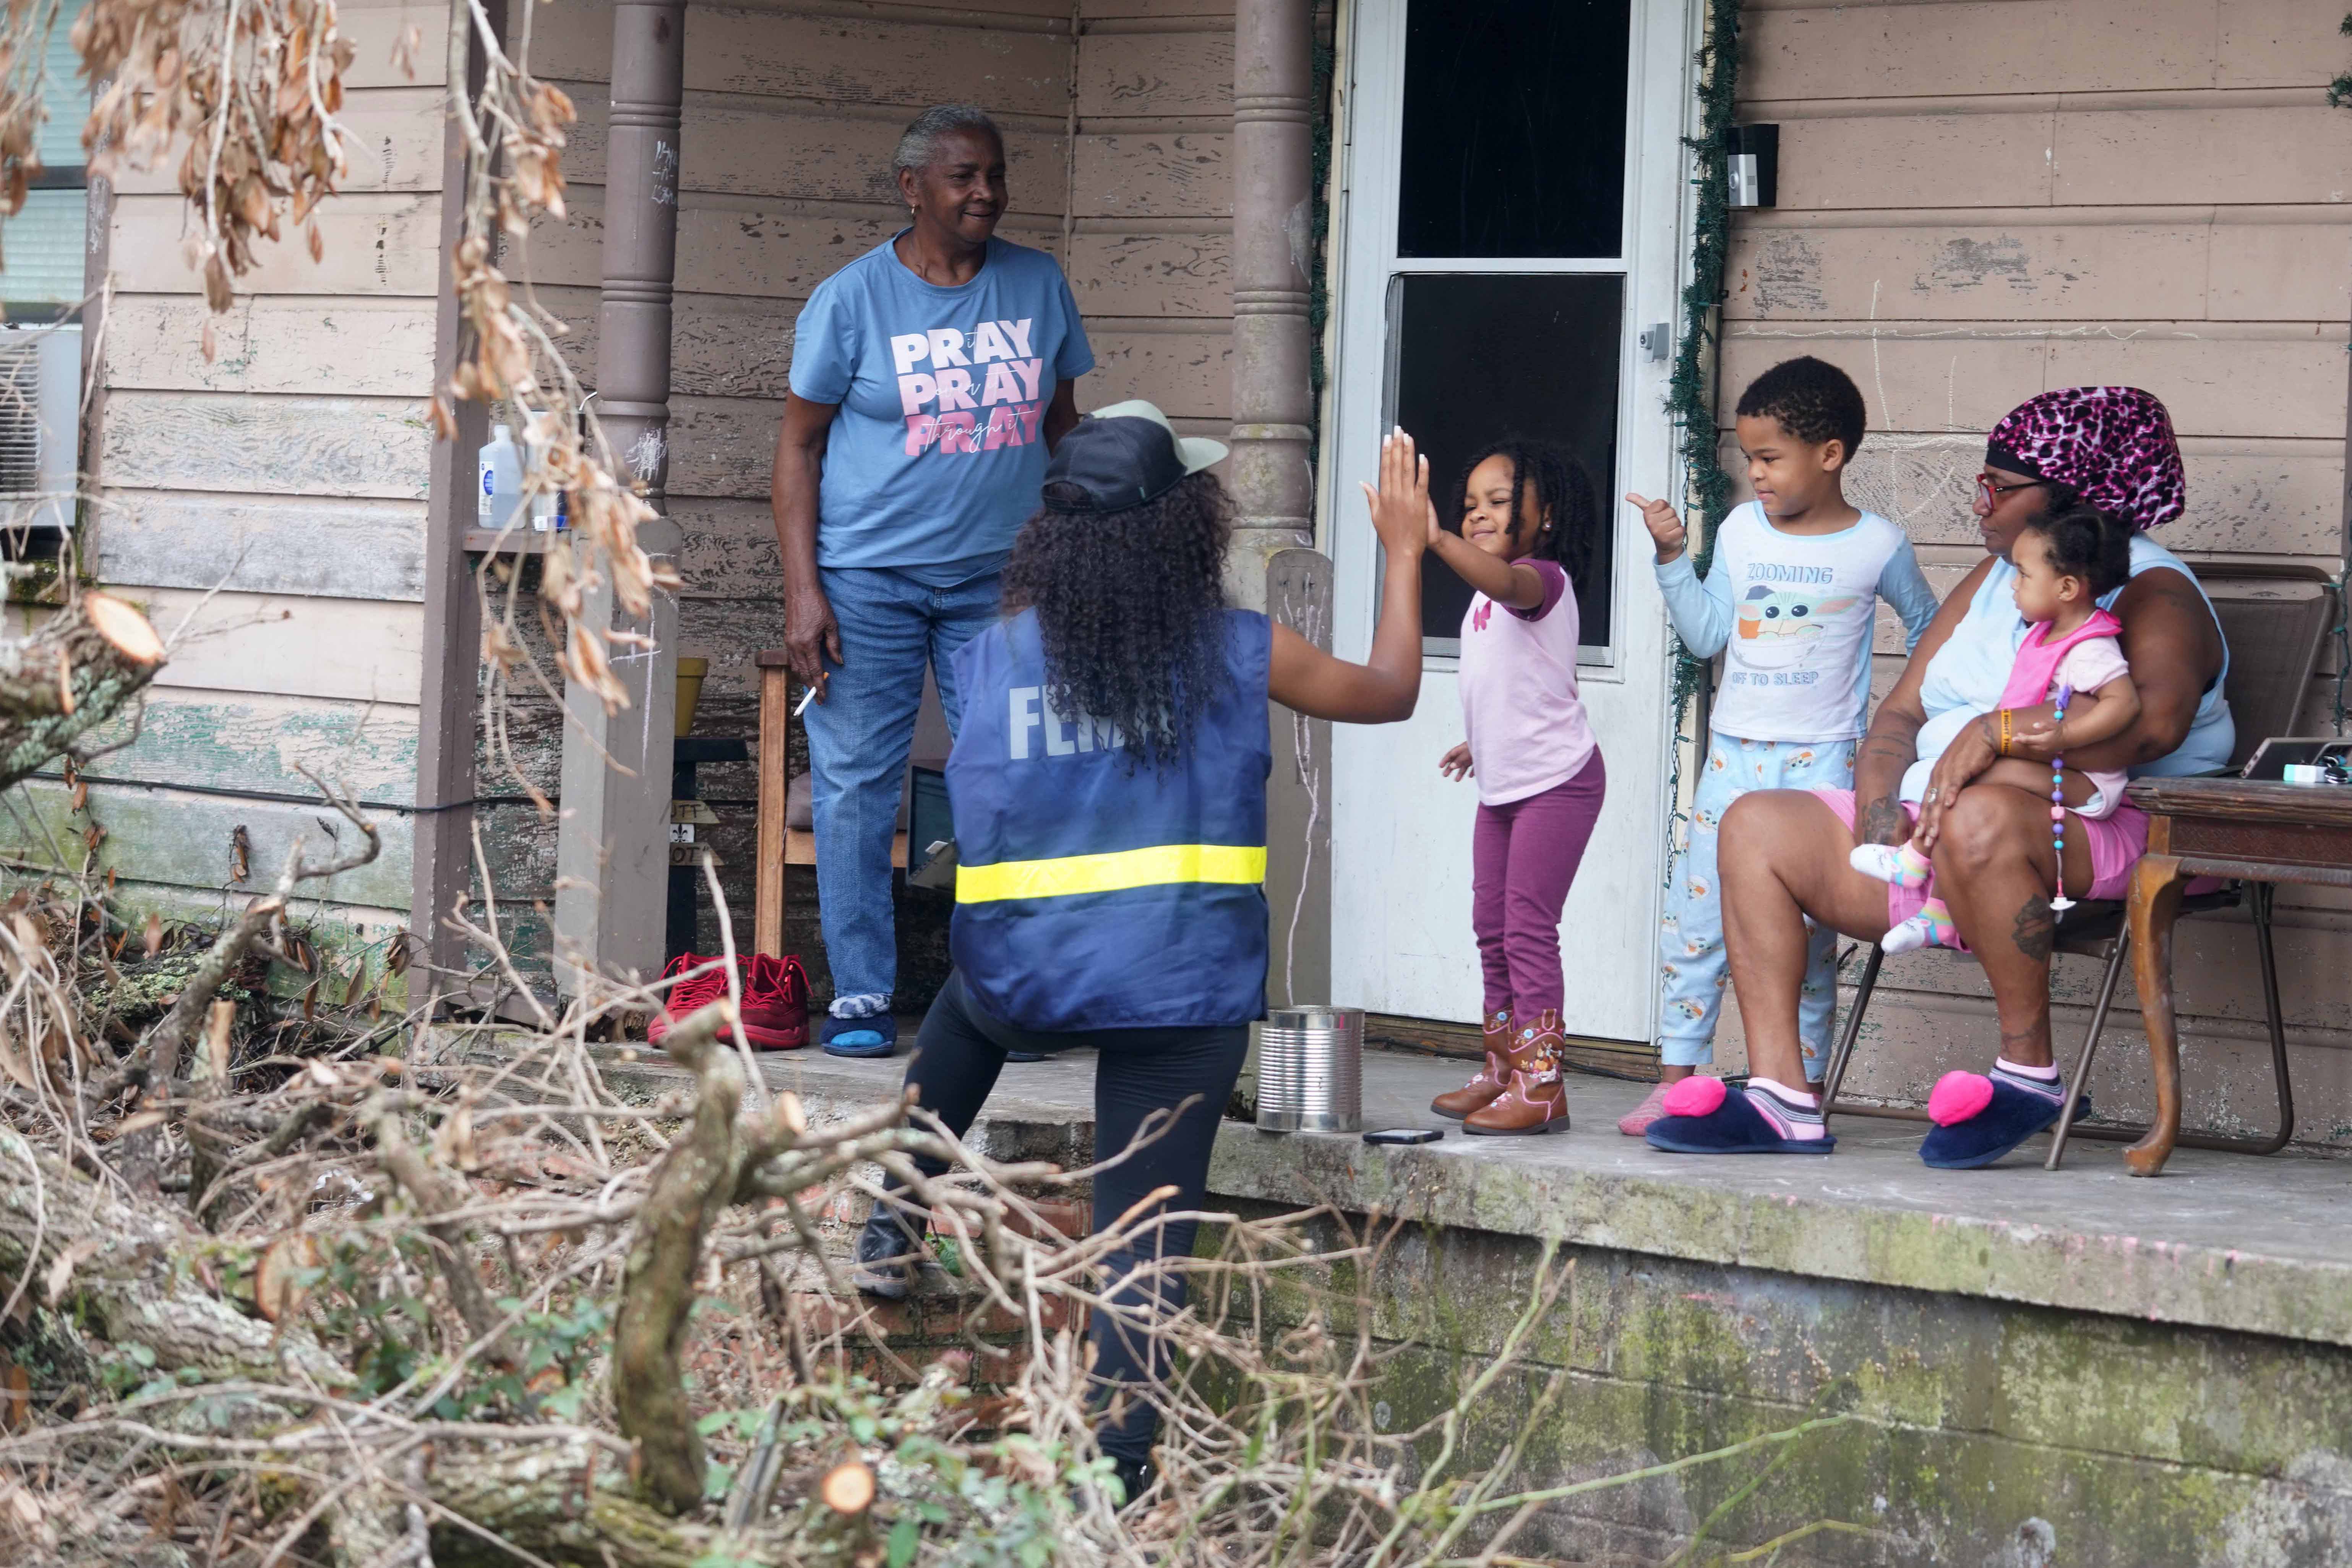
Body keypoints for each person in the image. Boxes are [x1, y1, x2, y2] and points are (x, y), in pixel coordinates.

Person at [850, 407, 1435, 1504]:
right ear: (1182, 530)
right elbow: (1394, 689)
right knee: (1138, 1241)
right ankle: (1115, 1487)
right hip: (1181, 991)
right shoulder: (1241, 648)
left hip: (1023, 984)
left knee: (960, 1014)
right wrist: (1404, 550)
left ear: (1054, 538)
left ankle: (895, 1211)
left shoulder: (985, 660)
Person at [1645, 386, 2229, 1167]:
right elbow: (1895, 719)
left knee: (1977, 816)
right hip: (1938, 829)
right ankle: (1783, 1096)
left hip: (2097, 827)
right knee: (1754, 822)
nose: (1977, 505)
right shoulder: (1996, 580)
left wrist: (1995, 737)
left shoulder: (2154, 590)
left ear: (2068, 494)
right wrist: (1888, 827)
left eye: (1997, 487)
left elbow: (2150, 724)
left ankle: (2028, 1071)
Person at [771, 103, 1092, 1059]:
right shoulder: (851, 300)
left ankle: (1005, 996)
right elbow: (796, 448)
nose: (985, 191)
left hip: (1001, 578)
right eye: (963, 176)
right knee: (856, 783)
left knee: (1009, 778)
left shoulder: (1038, 284)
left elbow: (1064, 428)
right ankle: (863, 997)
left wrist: (1075, 552)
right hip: (865, 577)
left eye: (994, 172)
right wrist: (803, 590)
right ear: (912, 188)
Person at [1614, 357, 1939, 1136]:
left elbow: (1932, 628)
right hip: (1732, 756)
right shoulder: (1737, 530)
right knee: (1695, 920)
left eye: (1768, 457)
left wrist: (1916, 725)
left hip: (1822, 762)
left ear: (1828, 454)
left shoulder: (1877, 545)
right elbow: (1704, 633)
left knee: (1806, 939)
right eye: (1747, 457)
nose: (1753, 473)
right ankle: (1674, 1079)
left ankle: (1801, 1084)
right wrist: (1669, 559)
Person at [1852, 503, 2141, 953]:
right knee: (1959, 785)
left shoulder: (2091, 644)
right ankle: (1938, 914)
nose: (2013, 584)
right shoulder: (2044, 632)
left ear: (2066, 587)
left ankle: (1914, 862)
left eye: (2024, 575)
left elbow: (2123, 704)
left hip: (2087, 784)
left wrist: (2068, 736)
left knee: (1963, 781)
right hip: (2050, 768)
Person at [1421, 439, 1607, 1136]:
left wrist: (1432, 537)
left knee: (1527, 929)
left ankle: (1541, 1084)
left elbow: (1510, 591)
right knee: (1490, 928)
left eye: (1497, 502)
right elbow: (1523, 679)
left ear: (1545, 515)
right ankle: (1502, 1069)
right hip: (1504, 784)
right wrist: (1483, 739)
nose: (1477, 515)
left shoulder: (1539, 578)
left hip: (1557, 784)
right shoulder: (1483, 595)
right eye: (1467, 505)